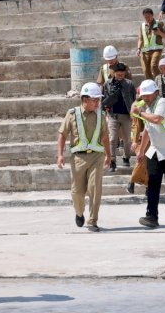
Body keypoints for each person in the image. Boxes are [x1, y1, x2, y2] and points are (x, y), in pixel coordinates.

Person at [57, 82, 112, 232]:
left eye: (98, 100)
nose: (98, 103)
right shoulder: (72, 114)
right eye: (95, 100)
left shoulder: (101, 115)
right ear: (85, 100)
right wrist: (60, 155)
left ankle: (92, 220)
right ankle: (79, 212)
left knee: (95, 188)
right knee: (77, 192)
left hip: (97, 157)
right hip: (78, 159)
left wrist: (109, 155)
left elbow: (105, 137)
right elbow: (62, 134)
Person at [132, 80, 165, 227]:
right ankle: (152, 217)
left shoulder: (163, 103)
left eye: (148, 95)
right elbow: (147, 130)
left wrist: (140, 112)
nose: (146, 98)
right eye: (143, 96)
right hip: (155, 150)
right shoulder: (148, 108)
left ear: (156, 93)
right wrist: (141, 151)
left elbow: (157, 119)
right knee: (152, 183)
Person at [102, 63, 137, 172]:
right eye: (118, 75)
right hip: (113, 115)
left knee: (127, 140)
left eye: (122, 74)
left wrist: (133, 113)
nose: (120, 76)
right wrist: (105, 112)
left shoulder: (129, 84)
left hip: (126, 116)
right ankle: (112, 161)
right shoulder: (107, 84)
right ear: (114, 73)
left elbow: (134, 98)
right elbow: (104, 99)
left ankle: (126, 157)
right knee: (112, 139)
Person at [136, 8, 165, 80]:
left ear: (152, 15)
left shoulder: (159, 23)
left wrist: (159, 32)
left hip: (156, 50)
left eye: (149, 16)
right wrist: (138, 49)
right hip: (145, 51)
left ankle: (160, 81)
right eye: (145, 17)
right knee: (145, 70)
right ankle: (151, 85)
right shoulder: (142, 26)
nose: (147, 18)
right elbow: (140, 39)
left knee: (153, 65)